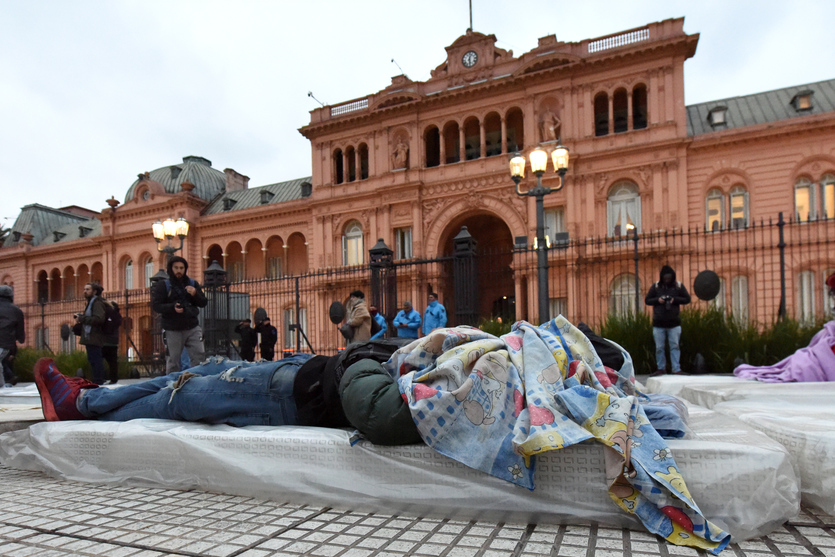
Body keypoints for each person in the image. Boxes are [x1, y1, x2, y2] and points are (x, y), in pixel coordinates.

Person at [33, 337, 421, 446]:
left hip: (295, 394)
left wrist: (359, 362)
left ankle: (78, 406)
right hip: (304, 368)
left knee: (183, 395)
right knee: (202, 369)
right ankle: (91, 398)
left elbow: (377, 410)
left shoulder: (471, 391)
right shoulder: (469, 359)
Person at [151, 256, 208, 374]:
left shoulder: (193, 284)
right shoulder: (163, 285)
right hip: (173, 329)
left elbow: (203, 302)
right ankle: (173, 385)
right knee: (173, 360)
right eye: (176, 268)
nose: (179, 271)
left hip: (192, 326)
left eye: (181, 268)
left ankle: (197, 382)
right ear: (171, 268)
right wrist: (172, 307)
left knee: (199, 356)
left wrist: (195, 294)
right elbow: (156, 306)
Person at [645, 265, 691, 376]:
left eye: (669, 278)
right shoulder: (656, 287)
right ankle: (661, 368)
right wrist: (658, 300)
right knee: (659, 347)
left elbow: (687, 299)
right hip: (659, 323)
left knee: (674, 346)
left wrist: (675, 300)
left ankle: (676, 368)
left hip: (674, 322)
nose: (667, 280)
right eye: (665, 278)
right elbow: (647, 300)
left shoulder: (678, 286)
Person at [75, 282, 108, 385]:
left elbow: (99, 319)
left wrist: (82, 318)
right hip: (90, 336)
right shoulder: (90, 303)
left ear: (94, 291)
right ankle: (97, 379)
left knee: (96, 359)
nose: (85, 291)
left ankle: (98, 380)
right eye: (85, 289)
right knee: (92, 359)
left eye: (88, 289)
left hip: (94, 336)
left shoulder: (97, 303)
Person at [0, 285, 25, 387]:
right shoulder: (16, 310)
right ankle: (6, 381)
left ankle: (3, 384)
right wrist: (21, 339)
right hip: (7, 343)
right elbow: (20, 328)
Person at [101, 300, 122, 385]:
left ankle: (101, 377)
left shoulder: (106, 312)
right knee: (113, 362)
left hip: (105, 340)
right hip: (114, 341)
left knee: (99, 360)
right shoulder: (117, 315)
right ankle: (113, 378)